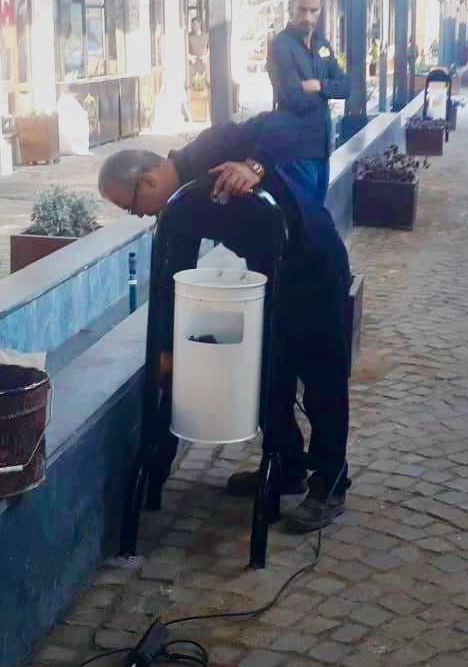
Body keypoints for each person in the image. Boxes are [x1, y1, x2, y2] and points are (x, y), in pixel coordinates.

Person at [97, 113, 352, 532]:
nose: (137, 216)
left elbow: (291, 123)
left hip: (315, 261)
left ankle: (330, 484)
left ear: (146, 182)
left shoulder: (208, 149)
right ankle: (285, 466)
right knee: (271, 372)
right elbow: (172, 287)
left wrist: (252, 167)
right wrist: (169, 356)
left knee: (323, 374)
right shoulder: (178, 211)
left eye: (129, 206)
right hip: (271, 278)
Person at [267, 0, 350, 203]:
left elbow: (346, 86)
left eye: (313, 10)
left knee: (317, 216)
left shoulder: (321, 44)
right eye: (302, 9)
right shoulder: (281, 46)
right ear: (290, 7)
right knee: (302, 224)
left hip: (322, 149)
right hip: (295, 150)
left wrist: (319, 86)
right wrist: (326, 93)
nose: (307, 17)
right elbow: (293, 98)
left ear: (320, 9)